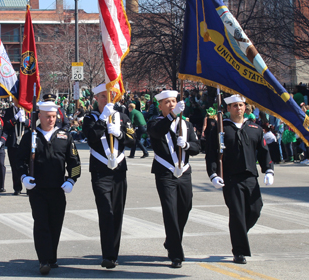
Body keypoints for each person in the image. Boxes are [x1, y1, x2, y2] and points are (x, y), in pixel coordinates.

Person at [206, 94, 274, 264]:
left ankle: (239, 234)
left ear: (245, 107)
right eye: (235, 105)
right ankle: (239, 251)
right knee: (237, 215)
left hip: (250, 177)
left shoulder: (254, 128)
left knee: (255, 210)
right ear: (228, 108)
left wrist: (269, 170)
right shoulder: (221, 129)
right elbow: (212, 154)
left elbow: (263, 152)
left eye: (241, 105)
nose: (239, 108)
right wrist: (213, 174)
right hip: (231, 178)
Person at [18, 100, 81, 275]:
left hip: (58, 188)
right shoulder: (30, 136)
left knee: (55, 224)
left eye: (54, 116)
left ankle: (51, 257)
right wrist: (24, 177)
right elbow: (18, 161)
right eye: (48, 117)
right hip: (37, 189)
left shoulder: (64, 136)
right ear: (40, 116)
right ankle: (43, 260)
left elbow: (74, 162)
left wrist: (71, 180)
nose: (51, 120)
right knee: (41, 224)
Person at [83, 84, 135, 269]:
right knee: (106, 211)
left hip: (119, 170)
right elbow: (90, 137)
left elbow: (132, 139)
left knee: (117, 212)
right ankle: (107, 254)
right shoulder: (90, 118)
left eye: (111, 96)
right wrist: (103, 119)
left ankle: (113, 254)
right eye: (103, 96)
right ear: (96, 98)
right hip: (100, 171)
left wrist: (119, 133)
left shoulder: (123, 117)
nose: (108, 99)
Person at [147, 90, 200, 268]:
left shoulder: (186, 125)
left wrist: (186, 145)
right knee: (170, 211)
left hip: (184, 172)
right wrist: (172, 116)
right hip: (165, 172)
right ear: (160, 105)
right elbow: (157, 133)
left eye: (174, 101)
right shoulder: (155, 122)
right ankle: (176, 254)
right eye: (167, 102)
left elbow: (197, 147)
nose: (171, 104)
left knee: (185, 208)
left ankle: (171, 241)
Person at [3, 100, 30, 195]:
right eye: (15, 99)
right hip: (13, 142)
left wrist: (26, 121)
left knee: (27, 165)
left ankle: (28, 187)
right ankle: (17, 188)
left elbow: (35, 123)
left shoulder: (28, 110)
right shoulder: (9, 111)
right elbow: (6, 125)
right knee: (15, 166)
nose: (17, 102)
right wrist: (15, 118)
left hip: (25, 142)